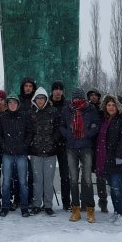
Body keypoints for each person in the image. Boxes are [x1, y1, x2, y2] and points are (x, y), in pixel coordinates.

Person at [59, 87, 100, 223]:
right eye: (75, 98)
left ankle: (90, 209)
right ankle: (75, 209)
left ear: (84, 98)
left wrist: (87, 134)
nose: (77, 100)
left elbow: (96, 124)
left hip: (86, 147)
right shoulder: (66, 110)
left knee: (87, 179)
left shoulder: (91, 109)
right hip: (71, 147)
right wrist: (68, 134)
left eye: (80, 98)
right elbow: (61, 126)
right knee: (73, 179)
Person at [97, 94, 122, 225]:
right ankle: (116, 212)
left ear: (118, 106)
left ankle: (121, 214)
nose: (111, 107)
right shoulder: (106, 120)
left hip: (119, 160)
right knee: (112, 188)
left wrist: (119, 156)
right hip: (107, 159)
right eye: (108, 105)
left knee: (117, 188)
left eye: (113, 105)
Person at [0, 93, 31, 217]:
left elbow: (29, 133)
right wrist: (4, 146)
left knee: (23, 182)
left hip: (21, 154)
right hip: (7, 154)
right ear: (7, 104)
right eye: (10, 102)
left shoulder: (24, 117)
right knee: (6, 181)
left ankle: (24, 207)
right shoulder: (3, 117)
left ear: (18, 104)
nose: (12, 105)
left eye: (15, 102)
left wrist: (24, 146)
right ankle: (5, 206)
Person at [28, 87, 59, 216]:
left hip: (50, 152)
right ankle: (36, 204)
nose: (40, 100)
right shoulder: (31, 113)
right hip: (35, 152)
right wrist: (31, 144)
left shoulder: (53, 112)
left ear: (46, 99)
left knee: (48, 180)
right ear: (35, 99)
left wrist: (53, 141)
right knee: (37, 180)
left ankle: (48, 205)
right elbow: (28, 131)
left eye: (42, 98)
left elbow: (58, 129)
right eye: (38, 98)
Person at [50, 80, 71, 211]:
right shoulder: (47, 103)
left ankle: (66, 202)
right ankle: (46, 202)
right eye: (55, 89)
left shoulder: (67, 105)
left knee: (65, 175)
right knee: (47, 175)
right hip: (50, 143)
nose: (58, 91)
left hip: (64, 144)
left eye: (60, 89)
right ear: (52, 90)